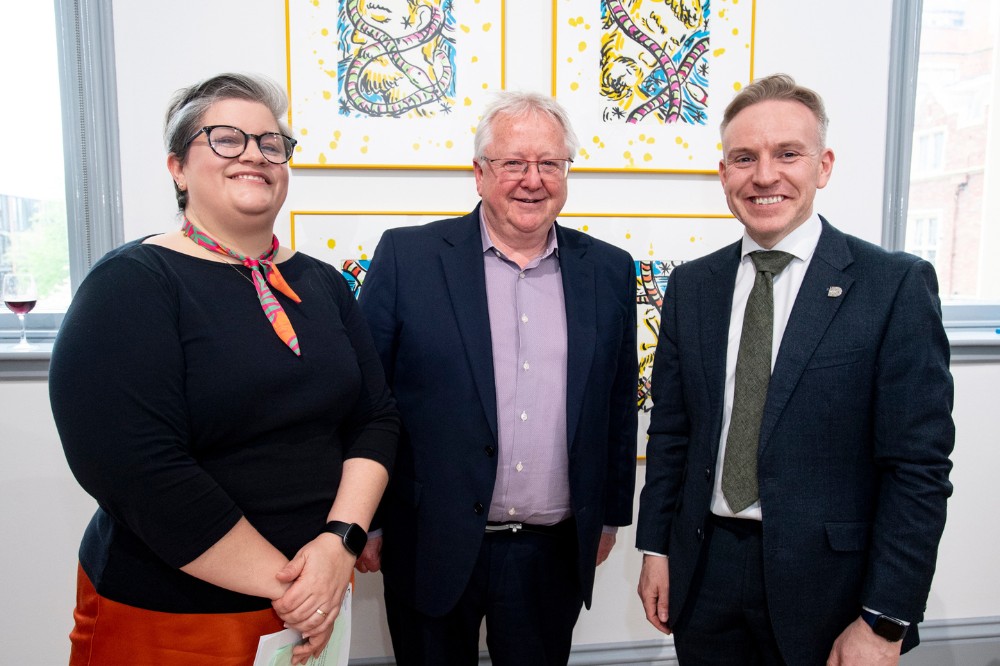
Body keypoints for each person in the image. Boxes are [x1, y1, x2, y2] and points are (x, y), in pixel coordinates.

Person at [49, 73, 398, 666]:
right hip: (174, 613)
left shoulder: (323, 283)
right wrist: (293, 587)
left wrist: (339, 545)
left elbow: (376, 419)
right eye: (227, 139)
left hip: (316, 599)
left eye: (271, 143)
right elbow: (138, 469)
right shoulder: (132, 284)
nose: (254, 155)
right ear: (177, 168)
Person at [635, 73, 956, 665]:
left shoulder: (892, 286)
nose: (764, 176)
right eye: (744, 158)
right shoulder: (692, 286)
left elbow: (918, 469)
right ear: (724, 172)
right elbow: (673, 432)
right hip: (704, 572)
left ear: (823, 166)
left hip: (830, 588)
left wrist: (884, 620)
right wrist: (656, 548)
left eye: (788, 154)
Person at [356, 91, 638, 665]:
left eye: (549, 163)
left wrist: (610, 517)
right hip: (428, 541)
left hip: (551, 552)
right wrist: (368, 521)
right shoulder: (408, 258)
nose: (532, 180)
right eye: (514, 163)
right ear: (480, 173)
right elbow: (367, 399)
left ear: (566, 172)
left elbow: (616, 401)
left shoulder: (608, 269)